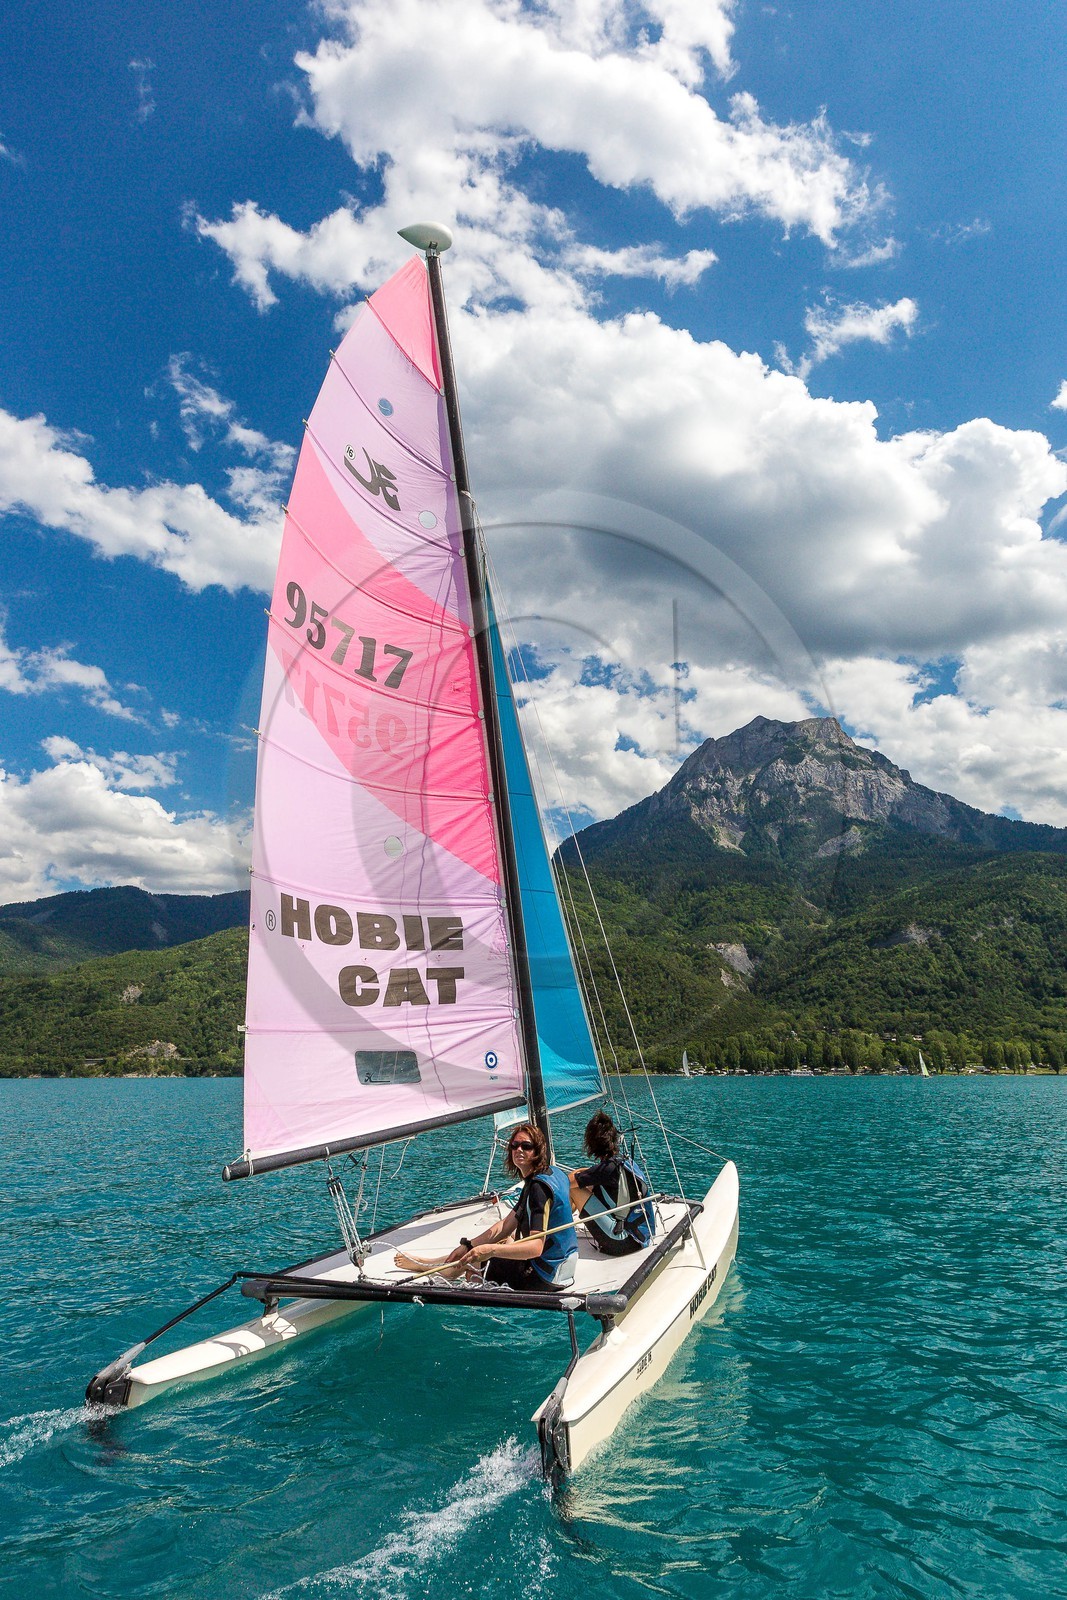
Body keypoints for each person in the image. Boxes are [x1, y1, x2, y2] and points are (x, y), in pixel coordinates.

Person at [396, 1122, 578, 1291]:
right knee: (489, 1246)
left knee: (473, 1266)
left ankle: (428, 1267)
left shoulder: (538, 1188)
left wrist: (488, 1251)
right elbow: (507, 1225)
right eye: (514, 1145)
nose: (519, 1150)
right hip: (564, 1268)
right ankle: (430, 1263)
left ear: (537, 1151)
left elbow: (535, 1247)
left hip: (546, 1275)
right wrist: (469, 1246)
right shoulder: (551, 1174)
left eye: (526, 1146)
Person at [569, 1110, 653, 1256]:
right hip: (640, 1237)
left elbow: (567, 1183)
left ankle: (556, 1225)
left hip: (622, 1242)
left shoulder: (605, 1169)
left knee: (575, 1188)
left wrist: (576, 1173)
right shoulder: (624, 1162)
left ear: (591, 1142)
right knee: (584, 1183)